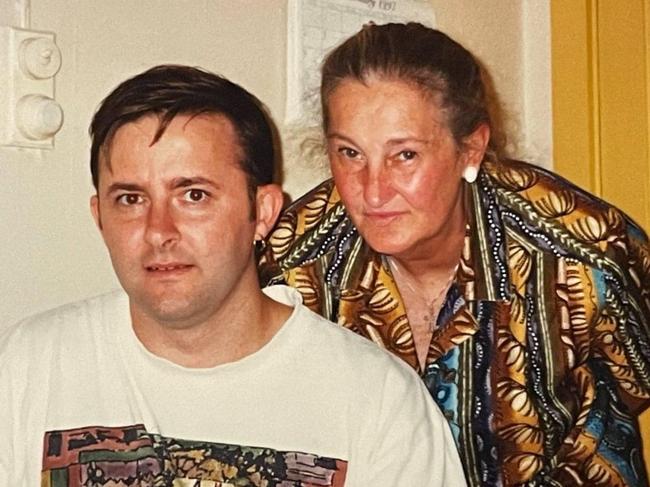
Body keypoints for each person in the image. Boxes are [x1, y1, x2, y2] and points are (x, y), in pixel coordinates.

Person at [0, 64, 466, 486]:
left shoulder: (378, 402)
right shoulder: (30, 365)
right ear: (99, 216)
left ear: (262, 212)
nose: (159, 231)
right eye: (131, 199)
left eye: (194, 196)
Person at [259, 22, 650, 486]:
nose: (373, 190)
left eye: (404, 155)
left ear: (471, 148)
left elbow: (636, 382)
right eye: (350, 153)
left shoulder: (583, 254)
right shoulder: (295, 263)